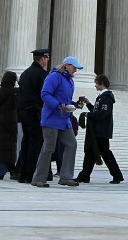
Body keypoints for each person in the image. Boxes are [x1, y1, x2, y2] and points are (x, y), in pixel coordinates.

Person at [31, 56, 83, 188]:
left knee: (72, 144)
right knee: (49, 147)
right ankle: (39, 178)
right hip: (52, 118)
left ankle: (66, 176)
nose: (75, 70)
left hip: (64, 119)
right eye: (74, 67)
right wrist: (58, 106)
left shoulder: (69, 81)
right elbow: (45, 94)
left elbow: (65, 99)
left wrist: (75, 104)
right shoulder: (54, 76)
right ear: (66, 66)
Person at [77, 74, 124, 184]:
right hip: (96, 130)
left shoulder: (107, 97)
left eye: (97, 83)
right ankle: (84, 176)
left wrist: (88, 115)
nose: (95, 85)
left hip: (101, 130)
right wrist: (88, 104)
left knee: (105, 153)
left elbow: (103, 114)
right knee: (90, 152)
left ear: (102, 83)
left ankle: (117, 175)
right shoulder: (102, 97)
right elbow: (96, 111)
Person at [16, 48, 51, 183]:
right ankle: (31, 174)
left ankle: (22, 174)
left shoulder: (25, 73)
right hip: (35, 112)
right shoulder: (42, 75)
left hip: (24, 112)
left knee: (26, 142)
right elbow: (44, 95)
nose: (47, 61)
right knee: (36, 143)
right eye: (46, 59)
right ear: (42, 58)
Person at [0, 71, 19, 180]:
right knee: (11, 147)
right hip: (13, 122)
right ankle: (13, 171)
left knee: (0, 147)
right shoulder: (17, 92)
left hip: (0, 122)